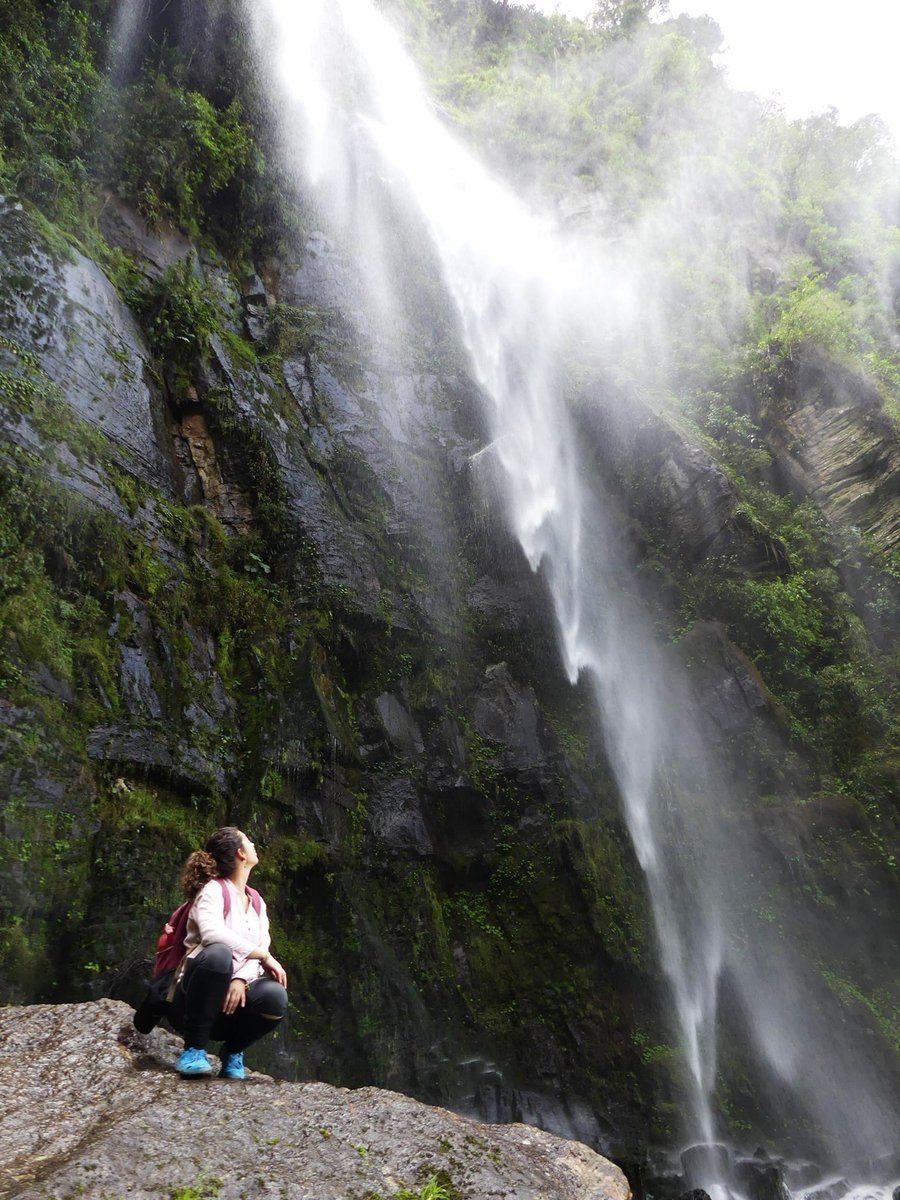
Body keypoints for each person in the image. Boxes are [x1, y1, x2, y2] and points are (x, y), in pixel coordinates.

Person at [166, 826, 288, 1079]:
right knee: (218, 954)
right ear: (241, 853)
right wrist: (262, 956)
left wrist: (240, 978)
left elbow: (262, 946)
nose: (255, 845)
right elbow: (212, 935)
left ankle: (232, 1051)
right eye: (249, 841)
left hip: (230, 1007)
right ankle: (193, 1050)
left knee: (275, 996)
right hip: (191, 1002)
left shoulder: (256, 900)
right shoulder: (213, 890)